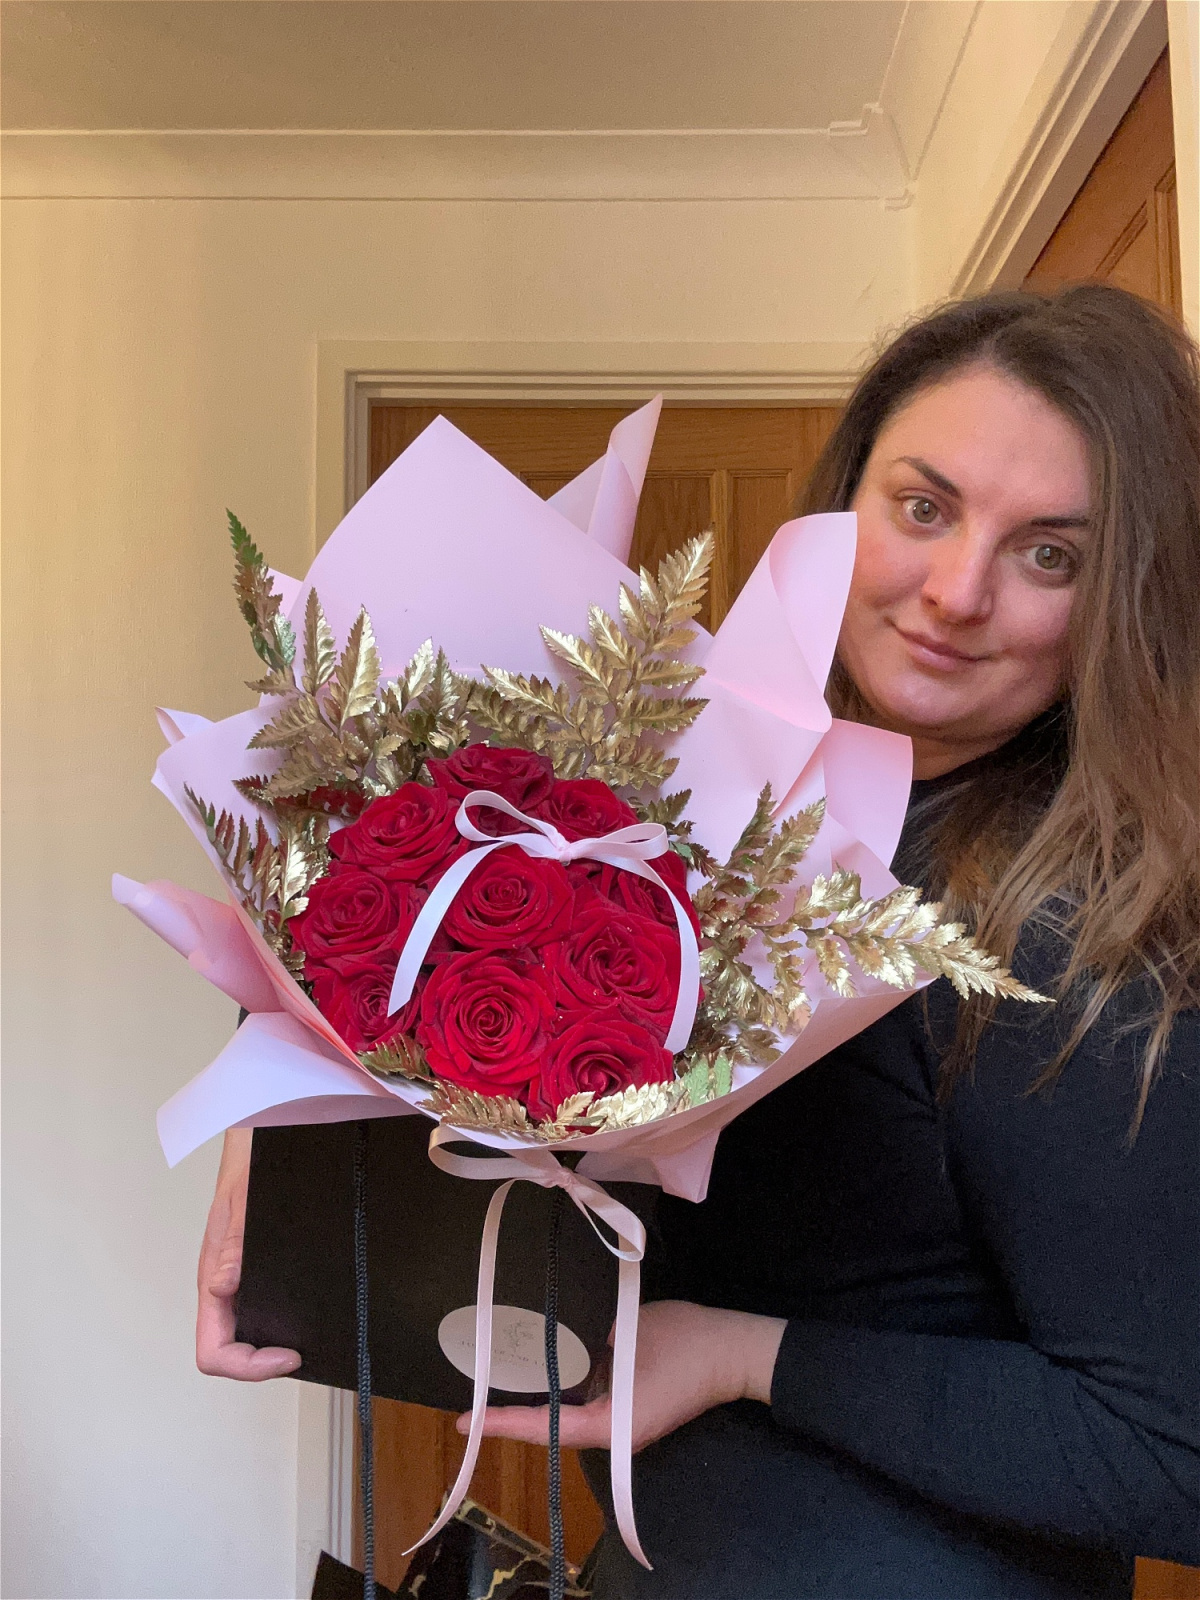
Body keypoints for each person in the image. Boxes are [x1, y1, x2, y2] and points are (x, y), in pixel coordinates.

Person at [198, 285, 1199, 1599]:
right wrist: (282, 1116)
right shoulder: (718, 824)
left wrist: (742, 1355)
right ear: (843, 503)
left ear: (1123, 598)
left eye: (1049, 555)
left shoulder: (1068, 924)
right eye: (924, 507)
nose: (959, 591)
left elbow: (1175, 1452)